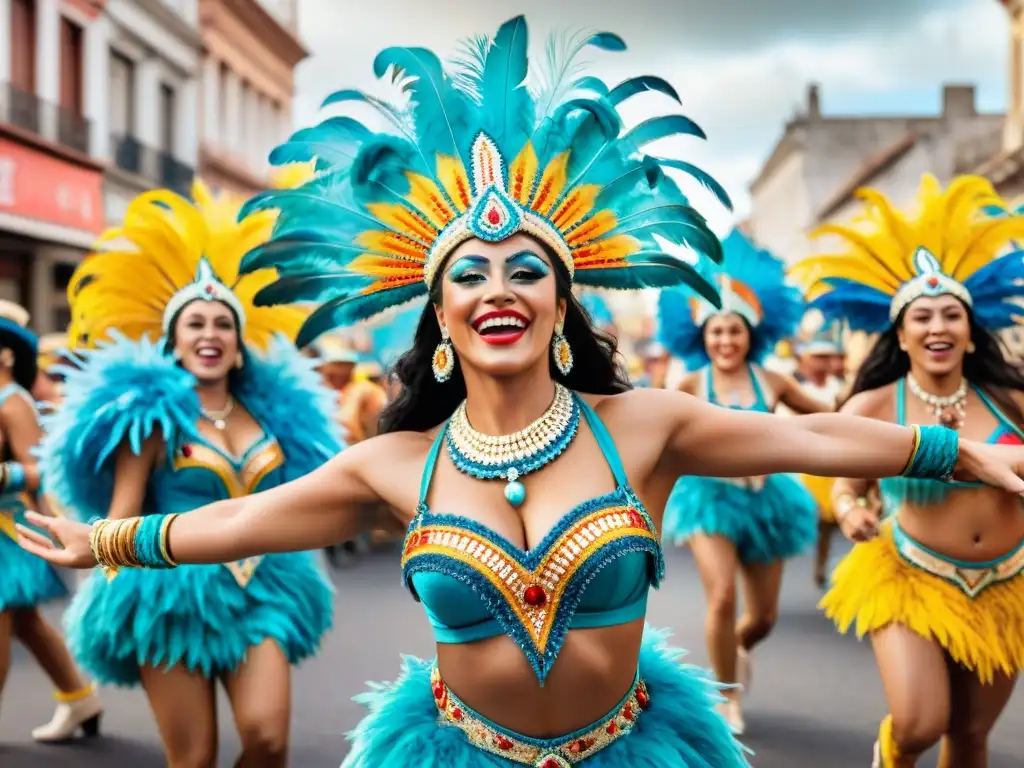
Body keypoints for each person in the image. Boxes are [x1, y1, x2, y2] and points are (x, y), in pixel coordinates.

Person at [16, 18, 1024, 768]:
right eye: (470, 274)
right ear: (440, 320)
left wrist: (956, 451)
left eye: (524, 270)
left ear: (562, 300)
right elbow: (239, 521)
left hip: (632, 747)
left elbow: (817, 446)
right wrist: (101, 540)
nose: (497, 289)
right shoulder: (395, 463)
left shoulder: (647, 427)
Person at [36, 181, 341, 766]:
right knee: (194, 759)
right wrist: (93, 551)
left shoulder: (277, 416)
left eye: (223, 323)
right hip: (169, 591)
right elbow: (123, 510)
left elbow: (304, 501)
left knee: (268, 740)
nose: (210, 335)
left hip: (263, 588)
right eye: (195, 324)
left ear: (240, 339)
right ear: (173, 340)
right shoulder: (153, 422)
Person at [792, 174, 1024, 767]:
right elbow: (846, 483)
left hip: (1005, 583)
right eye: (922, 318)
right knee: (921, 722)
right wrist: (851, 511)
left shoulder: (1010, 399)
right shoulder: (873, 405)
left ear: (971, 334)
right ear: (901, 334)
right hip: (909, 577)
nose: (938, 328)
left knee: (971, 737)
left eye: (952, 315)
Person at [655, 229, 832, 733]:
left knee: (762, 619)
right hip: (709, 500)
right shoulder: (689, 385)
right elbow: (662, 436)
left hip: (768, 501)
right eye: (716, 331)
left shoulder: (773, 381)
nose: (726, 340)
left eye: (734, 331)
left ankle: (735, 649)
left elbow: (827, 417)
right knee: (722, 598)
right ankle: (727, 696)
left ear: (750, 334)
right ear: (701, 337)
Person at [0, 302, 102, 741]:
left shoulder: (13, 400)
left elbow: (41, 468)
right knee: (24, 622)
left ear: (6, 354)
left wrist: (6, 474)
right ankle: (80, 698)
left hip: (7, 530)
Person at [783, 314, 850, 587]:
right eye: (817, 356)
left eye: (827, 357)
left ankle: (824, 568)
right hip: (798, 468)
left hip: (831, 466)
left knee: (831, 523)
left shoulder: (839, 389)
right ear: (803, 359)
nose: (823, 363)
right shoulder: (793, 388)